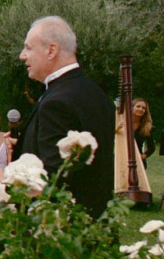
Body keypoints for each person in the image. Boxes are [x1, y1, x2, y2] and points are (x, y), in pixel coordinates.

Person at [18, 16, 115, 217]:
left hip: (61, 229)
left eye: (28, 48)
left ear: (51, 51)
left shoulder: (57, 102)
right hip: (96, 222)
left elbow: (54, 176)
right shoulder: (95, 92)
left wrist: (8, 180)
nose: (22, 56)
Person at [114, 99, 153, 200]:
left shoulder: (146, 127)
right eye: (138, 106)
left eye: (143, 108)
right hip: (121, 154)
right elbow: (108, 137)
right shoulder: (121, 121)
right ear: (131, 108)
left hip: (137, 159)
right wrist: (116, 129)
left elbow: (152, 147)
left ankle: (137, 197)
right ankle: (119, 193)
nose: (141, 109)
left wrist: (143, 156)